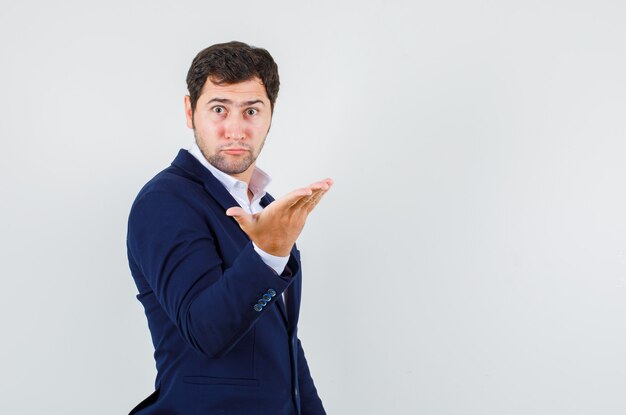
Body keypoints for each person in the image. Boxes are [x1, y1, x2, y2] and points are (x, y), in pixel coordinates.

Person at [126, 41, 331, 415]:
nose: (235, 130)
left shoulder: (267, 209)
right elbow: (205, 331)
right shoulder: (165, 202)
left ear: (271, 114)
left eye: (251, 110)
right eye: (219, 109)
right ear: (190, 112)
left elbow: (284, 345)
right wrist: (269, 254)